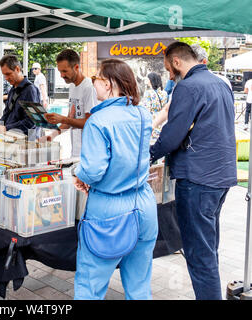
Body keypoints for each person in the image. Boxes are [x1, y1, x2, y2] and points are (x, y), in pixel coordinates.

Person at [150, 42, 237, 300]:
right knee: (208, 249)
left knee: (199, 254)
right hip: (220, 177)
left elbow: (172, 135)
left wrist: (149, 154)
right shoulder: (221, 83)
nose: (168, 75)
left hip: (198, 179)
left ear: (176, 62)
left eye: (168, 69)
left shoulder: (187, 86)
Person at [73, 58, 157, 300]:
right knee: (140, 285)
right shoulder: (142, 114)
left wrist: (78, 175)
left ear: (109, 84)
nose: (93, 84)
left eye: (96, 79)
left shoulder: (98, 121)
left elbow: (93, 171)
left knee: (91, 285)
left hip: (109, 211)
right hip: (144, 204)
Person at [42, 49, 98, 158]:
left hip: (89, 153)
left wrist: (62, 119)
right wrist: (53, 134)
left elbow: (89, 122)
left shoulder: (88, 88)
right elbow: (71, 119)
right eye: (59, 71)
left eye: (65, 71)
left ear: (76, 67)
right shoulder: (72, 86)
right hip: (76, 151)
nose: (61, 75)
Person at [0, 54, 40, 136]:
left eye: (8, 74)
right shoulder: (13, 89)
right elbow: (7, 113)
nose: (6, 78)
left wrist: (6, 128)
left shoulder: (30, 90)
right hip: (12, 138)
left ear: (17, 69)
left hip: (25, 142)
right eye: (4, 75)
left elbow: (32, 121)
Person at [141, 72, 168, 139]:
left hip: (153, 120)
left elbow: (146, 109)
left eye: (147, 78)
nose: (145, 80)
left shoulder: (148, 93)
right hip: (163, 120)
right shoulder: (164, 93)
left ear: (150, 80)